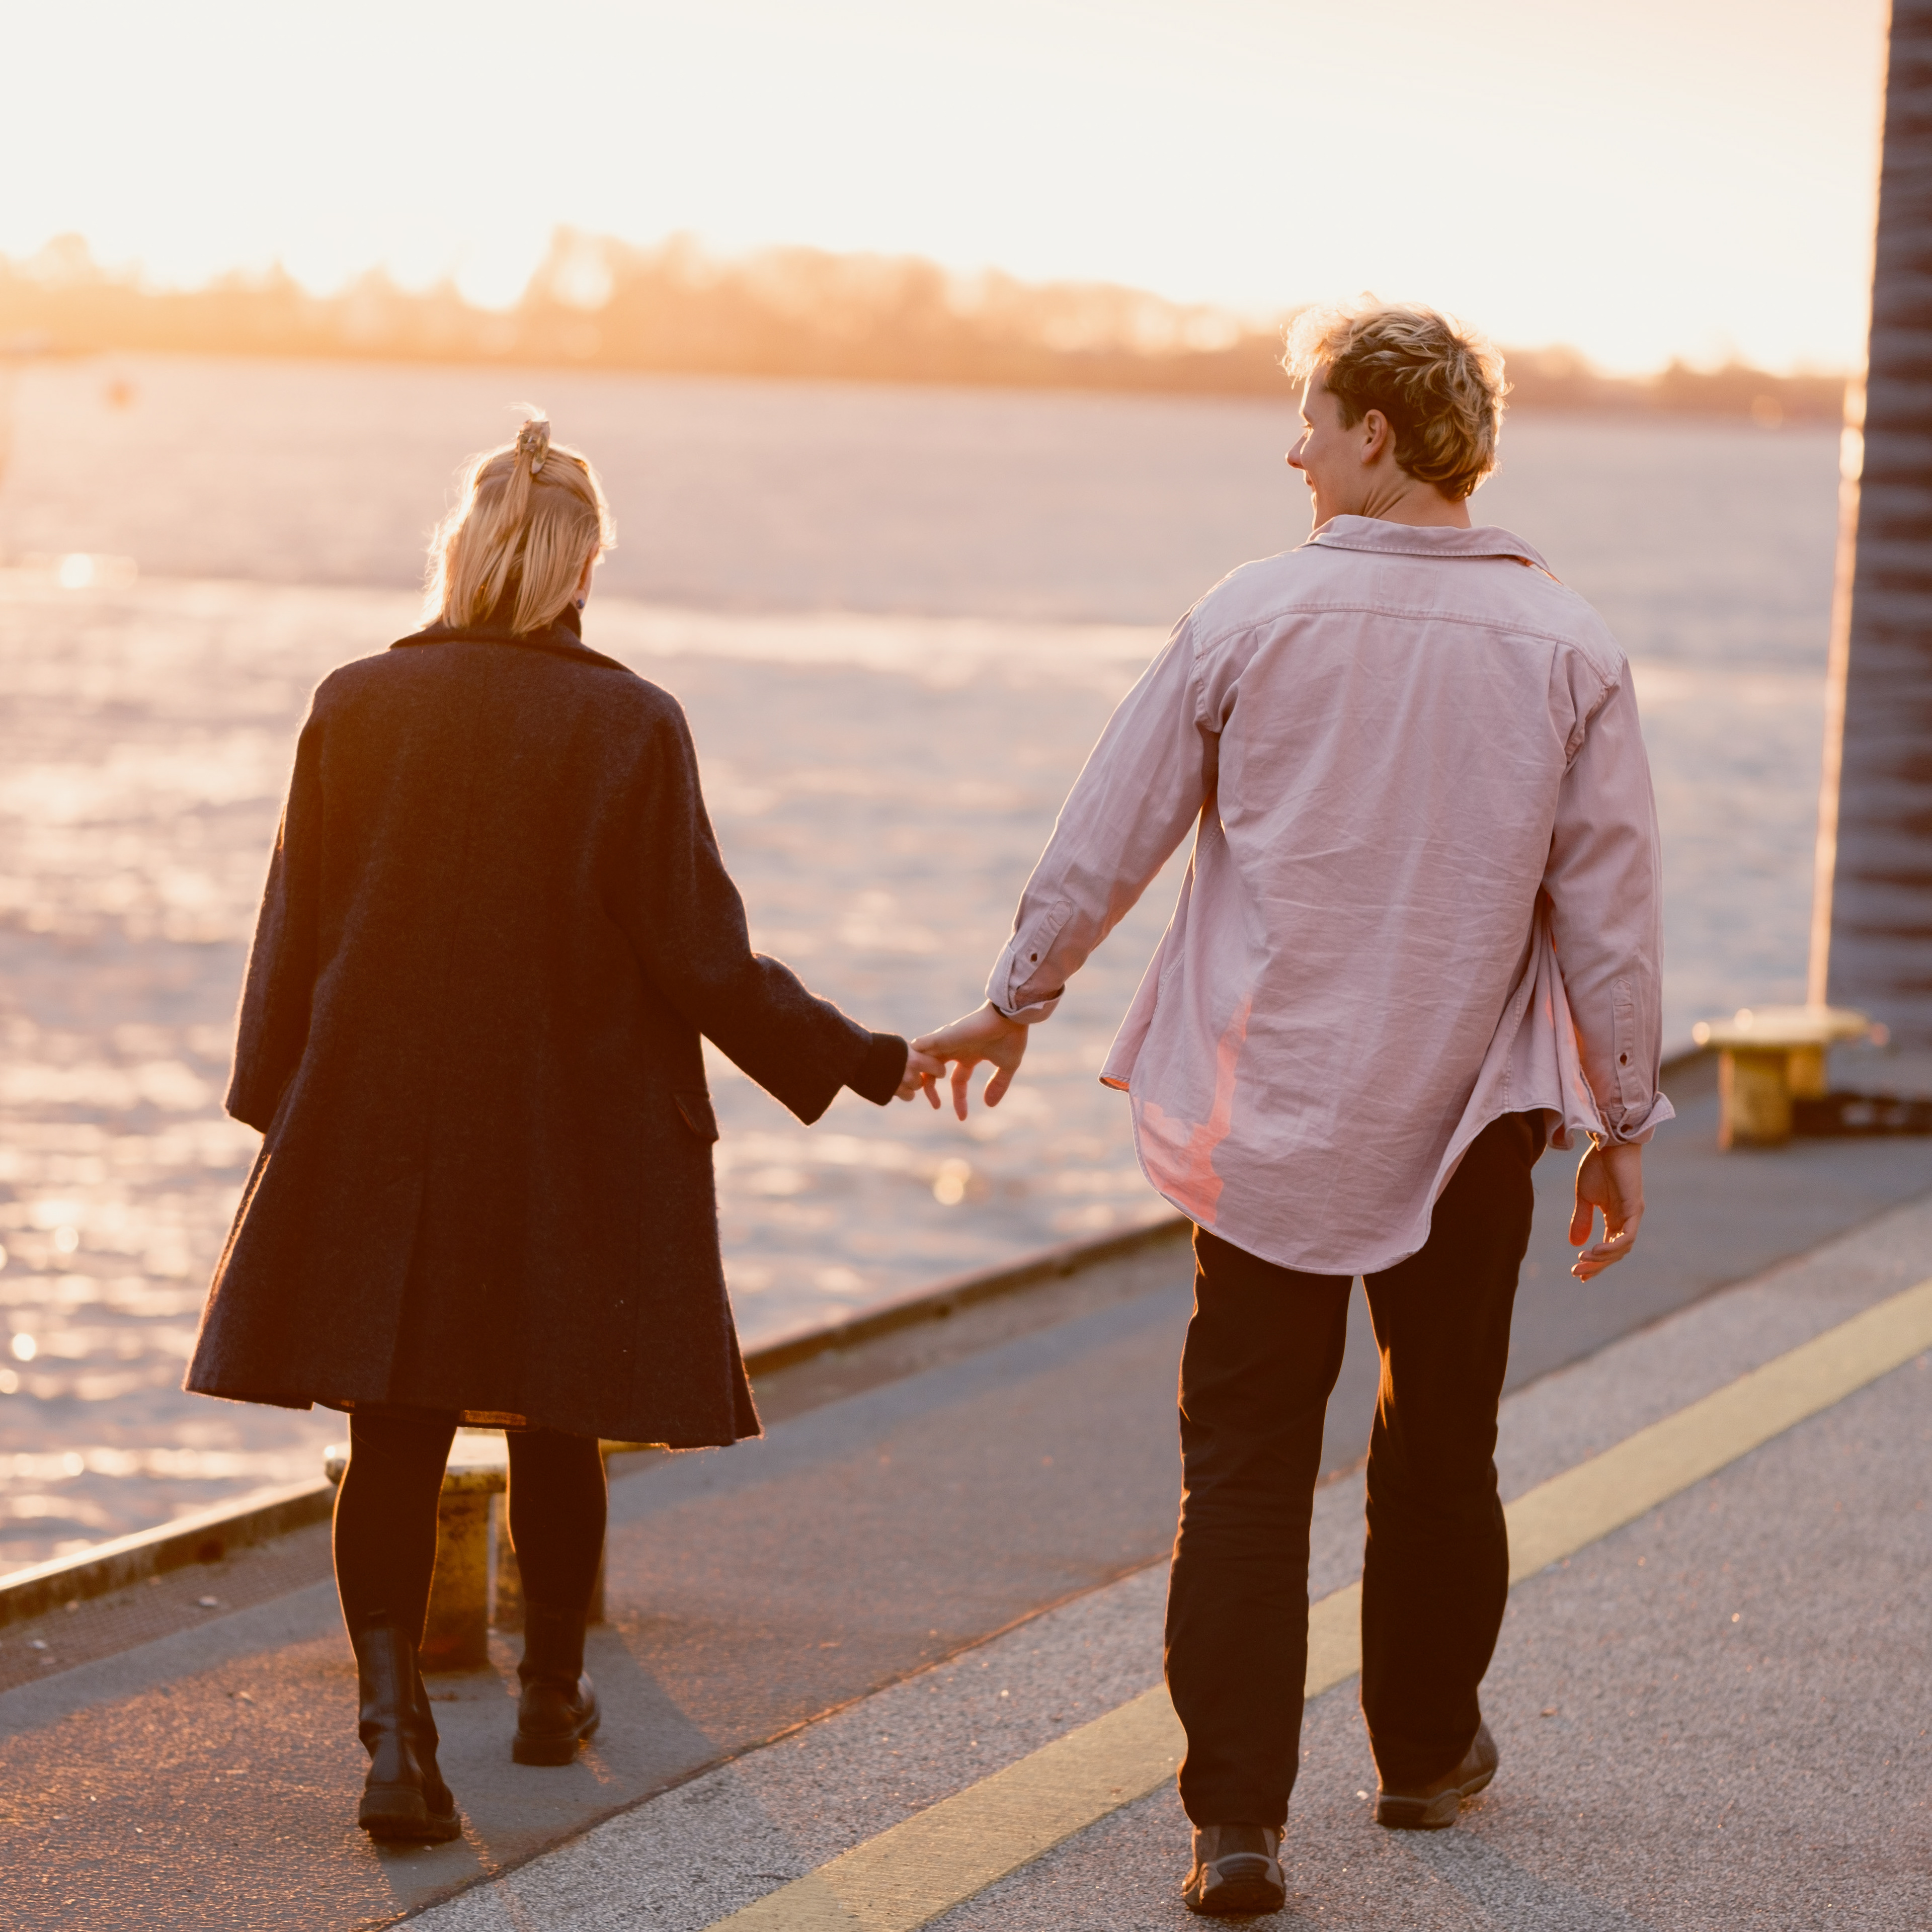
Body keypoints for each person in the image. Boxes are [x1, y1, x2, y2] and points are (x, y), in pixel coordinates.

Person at [912, 303, 1669, 1916]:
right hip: (1470, 1120)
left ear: (1378, 435)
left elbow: (1112, 825)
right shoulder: (1570, 646)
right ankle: (1425, 1755)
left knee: (1248, 1461)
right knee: (1440, 1439)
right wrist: (1622, 1119)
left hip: (1271, 1111)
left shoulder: (1250, 613)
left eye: (1311, 422)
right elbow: (1610, 913)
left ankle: (1238, 1825)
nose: (1294, 449)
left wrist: (1019, 996)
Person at [185, 418, 939, 1843]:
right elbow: (703, 962)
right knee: (559, 1409)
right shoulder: (631, 724)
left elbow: (295, 931)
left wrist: (281, 1109)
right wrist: (868, 1061)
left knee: (394, 1429)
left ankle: (396, 1736)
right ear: (584, 567)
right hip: (572, 1132)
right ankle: (549, 1695)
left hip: (380, 1124)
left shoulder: (355, 703)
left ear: (463, 548)